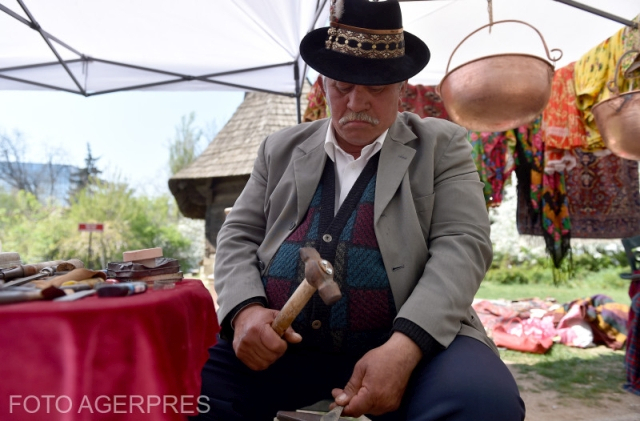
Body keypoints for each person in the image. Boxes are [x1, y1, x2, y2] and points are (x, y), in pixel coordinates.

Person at [194, 0, 525, 420]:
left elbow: (463, 246)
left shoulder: (442, 146)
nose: (356, 103)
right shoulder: (279, 150)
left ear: (401, 85)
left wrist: (404, 348)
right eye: (343, 86)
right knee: (189, 388)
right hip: (285, 343)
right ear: (323, 82)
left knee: (482, 402)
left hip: (409, 340)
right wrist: (245, 312)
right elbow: (237, 236)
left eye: (376, 89)